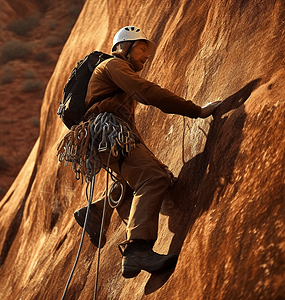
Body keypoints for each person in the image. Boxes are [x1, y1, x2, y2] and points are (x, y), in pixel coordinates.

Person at [71, 26, 221, 278]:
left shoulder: (112, 74)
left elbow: (127, 120)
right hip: (108, 134)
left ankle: (98, 209)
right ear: (124, 47)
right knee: (153, 178)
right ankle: (137, 249)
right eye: (141, 48)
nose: (146, 55)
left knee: (144, 176)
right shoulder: (114, 66)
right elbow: (147, 92)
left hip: (107, 136)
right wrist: (196, 111)